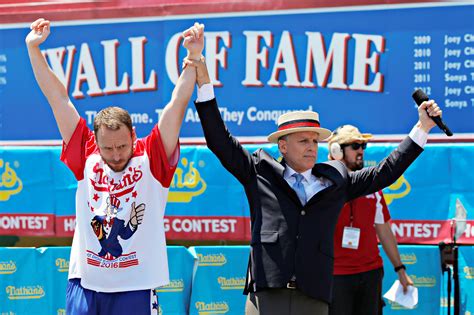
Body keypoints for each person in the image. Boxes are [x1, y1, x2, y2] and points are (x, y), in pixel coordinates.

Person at [184, 53, 441, 315]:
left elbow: (385, 172)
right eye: (303, 141)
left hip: (314, 296)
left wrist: (422, 127)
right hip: (267, 294)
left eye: (315, 141)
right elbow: (219, 140)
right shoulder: (259, 172)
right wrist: (203, 80)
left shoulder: (336, 180)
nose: (311, 148)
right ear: (282, 146)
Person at [25, 18, 204, 314]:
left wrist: (194, 58)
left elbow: (176, 105)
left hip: (136, 284)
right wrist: (34, 49)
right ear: (96, 139)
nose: (116, 154)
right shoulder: (85, 150)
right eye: (108, 148)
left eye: (122, 146)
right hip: (85, 281)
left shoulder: (153, 156)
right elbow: (57, 98)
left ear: (133, 135)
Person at [327, 125, 414, 315]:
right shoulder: (324, 187)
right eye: (355, 145)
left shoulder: (373, 188)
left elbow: (384, 230)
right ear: (336, 151)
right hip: (336, 275)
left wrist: (400, 269)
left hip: (371, 273)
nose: (361, 151)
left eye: (363, 146)